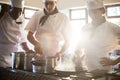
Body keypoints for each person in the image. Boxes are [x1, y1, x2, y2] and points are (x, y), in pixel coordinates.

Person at [77, 0, 120, 77]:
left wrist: (114, 61)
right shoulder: (84, 28)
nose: (92, 15)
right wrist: (77, 55)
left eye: (95, 11)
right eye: (90, 12)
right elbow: (80, 46)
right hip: (87, 70)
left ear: (102, 10)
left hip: (105, 70)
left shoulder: (114, 28)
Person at [0, 0, 29, 68]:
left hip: (14, 56)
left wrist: (28, 50)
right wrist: (1, 13)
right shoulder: (3, 17)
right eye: (16, 10)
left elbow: (22, 40)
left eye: (20, 10)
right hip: (1, 55)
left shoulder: (22, 20)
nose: (18, 13)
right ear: (11, 8)